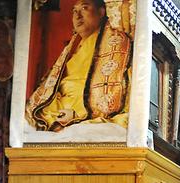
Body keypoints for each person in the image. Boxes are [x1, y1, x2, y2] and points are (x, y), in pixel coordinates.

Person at [25, 0, 132, 131]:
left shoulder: (116, 43)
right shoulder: (73, 47)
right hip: (60, 107)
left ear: (101, 12)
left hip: (85, 107)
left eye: (84, 9)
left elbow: (111, 92)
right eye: (74, 11)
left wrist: (77, 114)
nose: (77, 16)